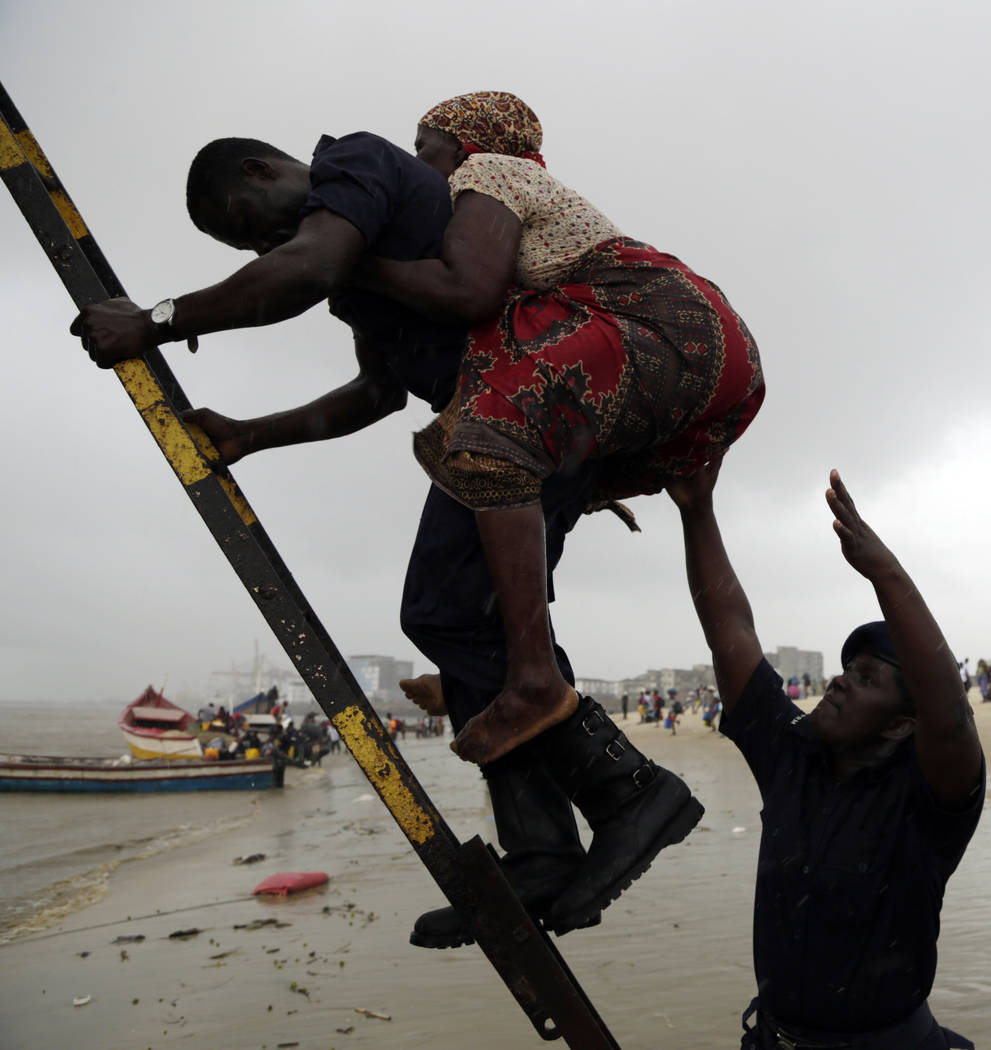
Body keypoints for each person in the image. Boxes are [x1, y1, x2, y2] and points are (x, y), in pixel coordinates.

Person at [70, 120, 701, 947]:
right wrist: (253, 433)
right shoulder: (357, 275)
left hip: (534, 400)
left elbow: (304, 266)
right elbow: (377, 392)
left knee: (450, 610)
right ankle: (544, 848)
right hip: (503, 418)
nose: (264, 240)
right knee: (449, 617)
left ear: (266, 168)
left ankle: (627, 792)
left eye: (251, 221)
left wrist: (155, 319)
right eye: (248, 241)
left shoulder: (355, 163)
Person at [358, 90, 764, 766]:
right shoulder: (513, 191)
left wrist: (354, 262)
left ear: (462, 144)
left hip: (657, 324)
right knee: (535, 494)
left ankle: (532, 678)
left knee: (494, 439)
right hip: (707, 351)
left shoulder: (484, 173)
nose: (415, 159)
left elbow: (469, 293)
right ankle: (484, 675)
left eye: (423, 143)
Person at [668, 459, 984, 1049]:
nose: (839, 682)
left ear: (899, 726)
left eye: (866, 679)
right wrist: (697, 511)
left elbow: (950, 715)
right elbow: (730, 630)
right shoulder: (792, 757)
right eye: (844, 670)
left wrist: (885, 573)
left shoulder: (930, 799)